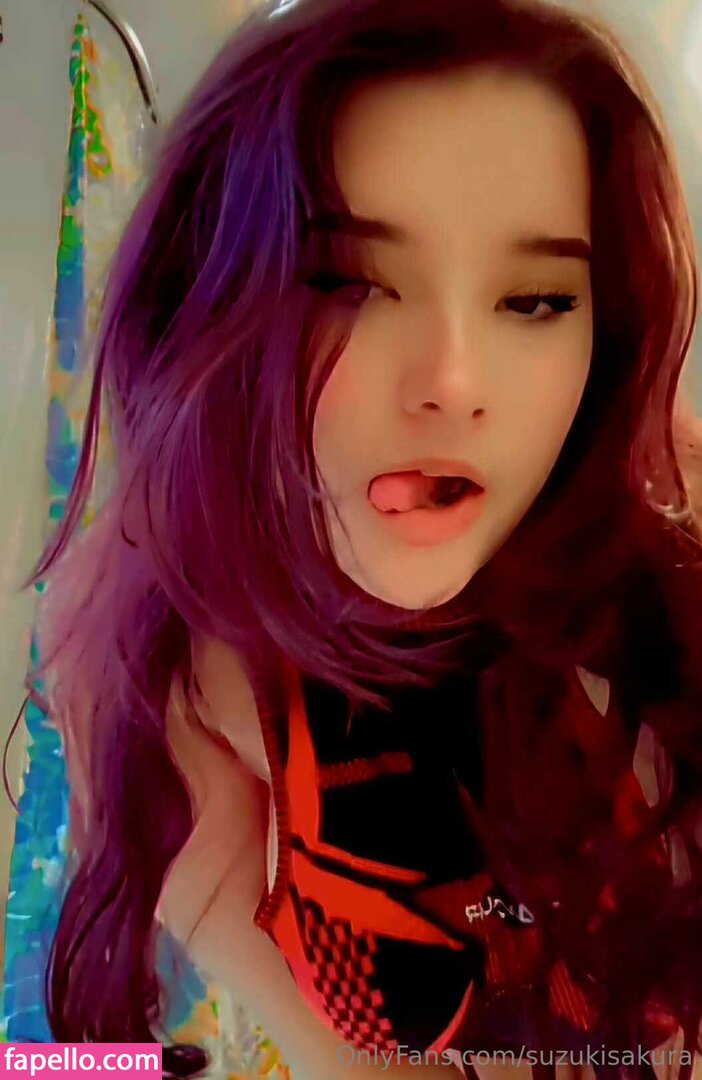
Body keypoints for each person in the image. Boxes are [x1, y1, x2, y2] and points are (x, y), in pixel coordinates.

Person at [27, 0, 702, 1076]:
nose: (454, 383)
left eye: (535, 300)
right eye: (349, 282)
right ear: (211, 299)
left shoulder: (675, 547)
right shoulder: (176, 674)